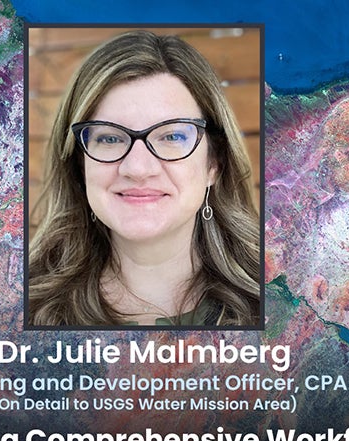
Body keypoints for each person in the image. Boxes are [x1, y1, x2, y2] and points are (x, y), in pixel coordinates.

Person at [27, 30, 261, 326]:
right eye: (110, 138)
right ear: (79, 163)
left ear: (214, 163)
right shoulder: (17, 311)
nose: (137, 168)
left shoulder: (282, 305)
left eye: (172, 136)